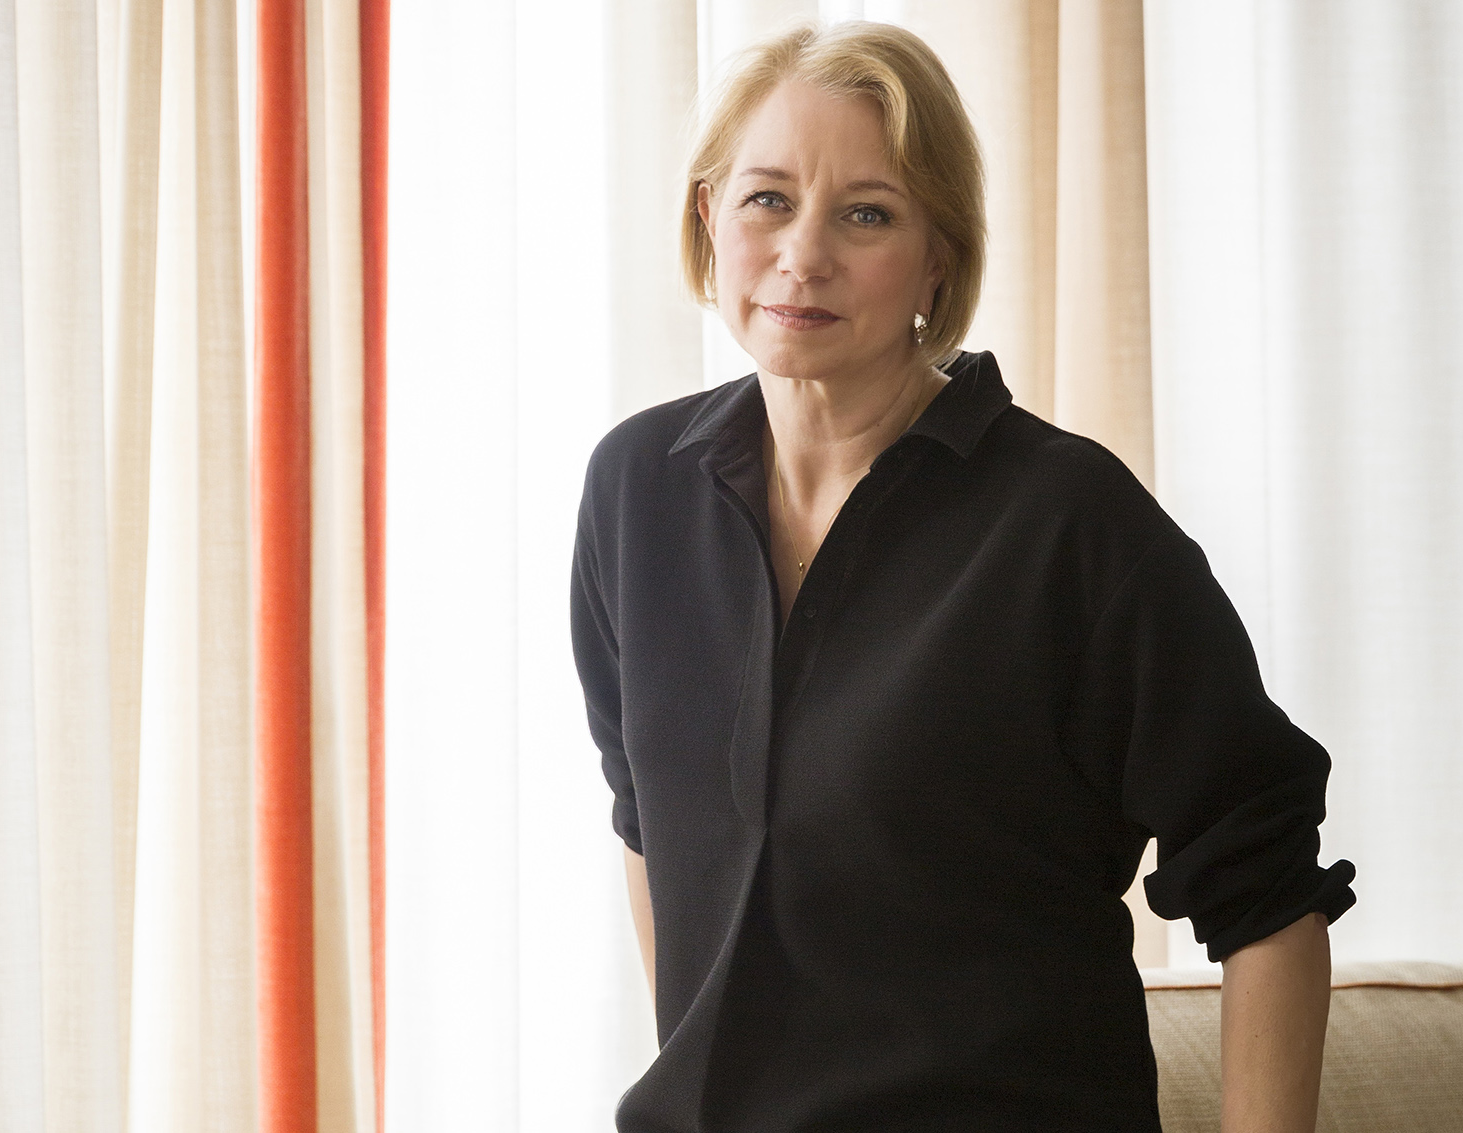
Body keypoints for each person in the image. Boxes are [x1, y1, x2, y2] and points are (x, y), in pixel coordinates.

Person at [570, 20, 1355, 1133]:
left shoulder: (1070, 524)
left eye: (867, 213)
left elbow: (1268, 897)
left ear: (938, 257)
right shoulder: (634, 491)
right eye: (766, 199)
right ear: (707, 216)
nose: (803, 254)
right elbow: (648, 822)